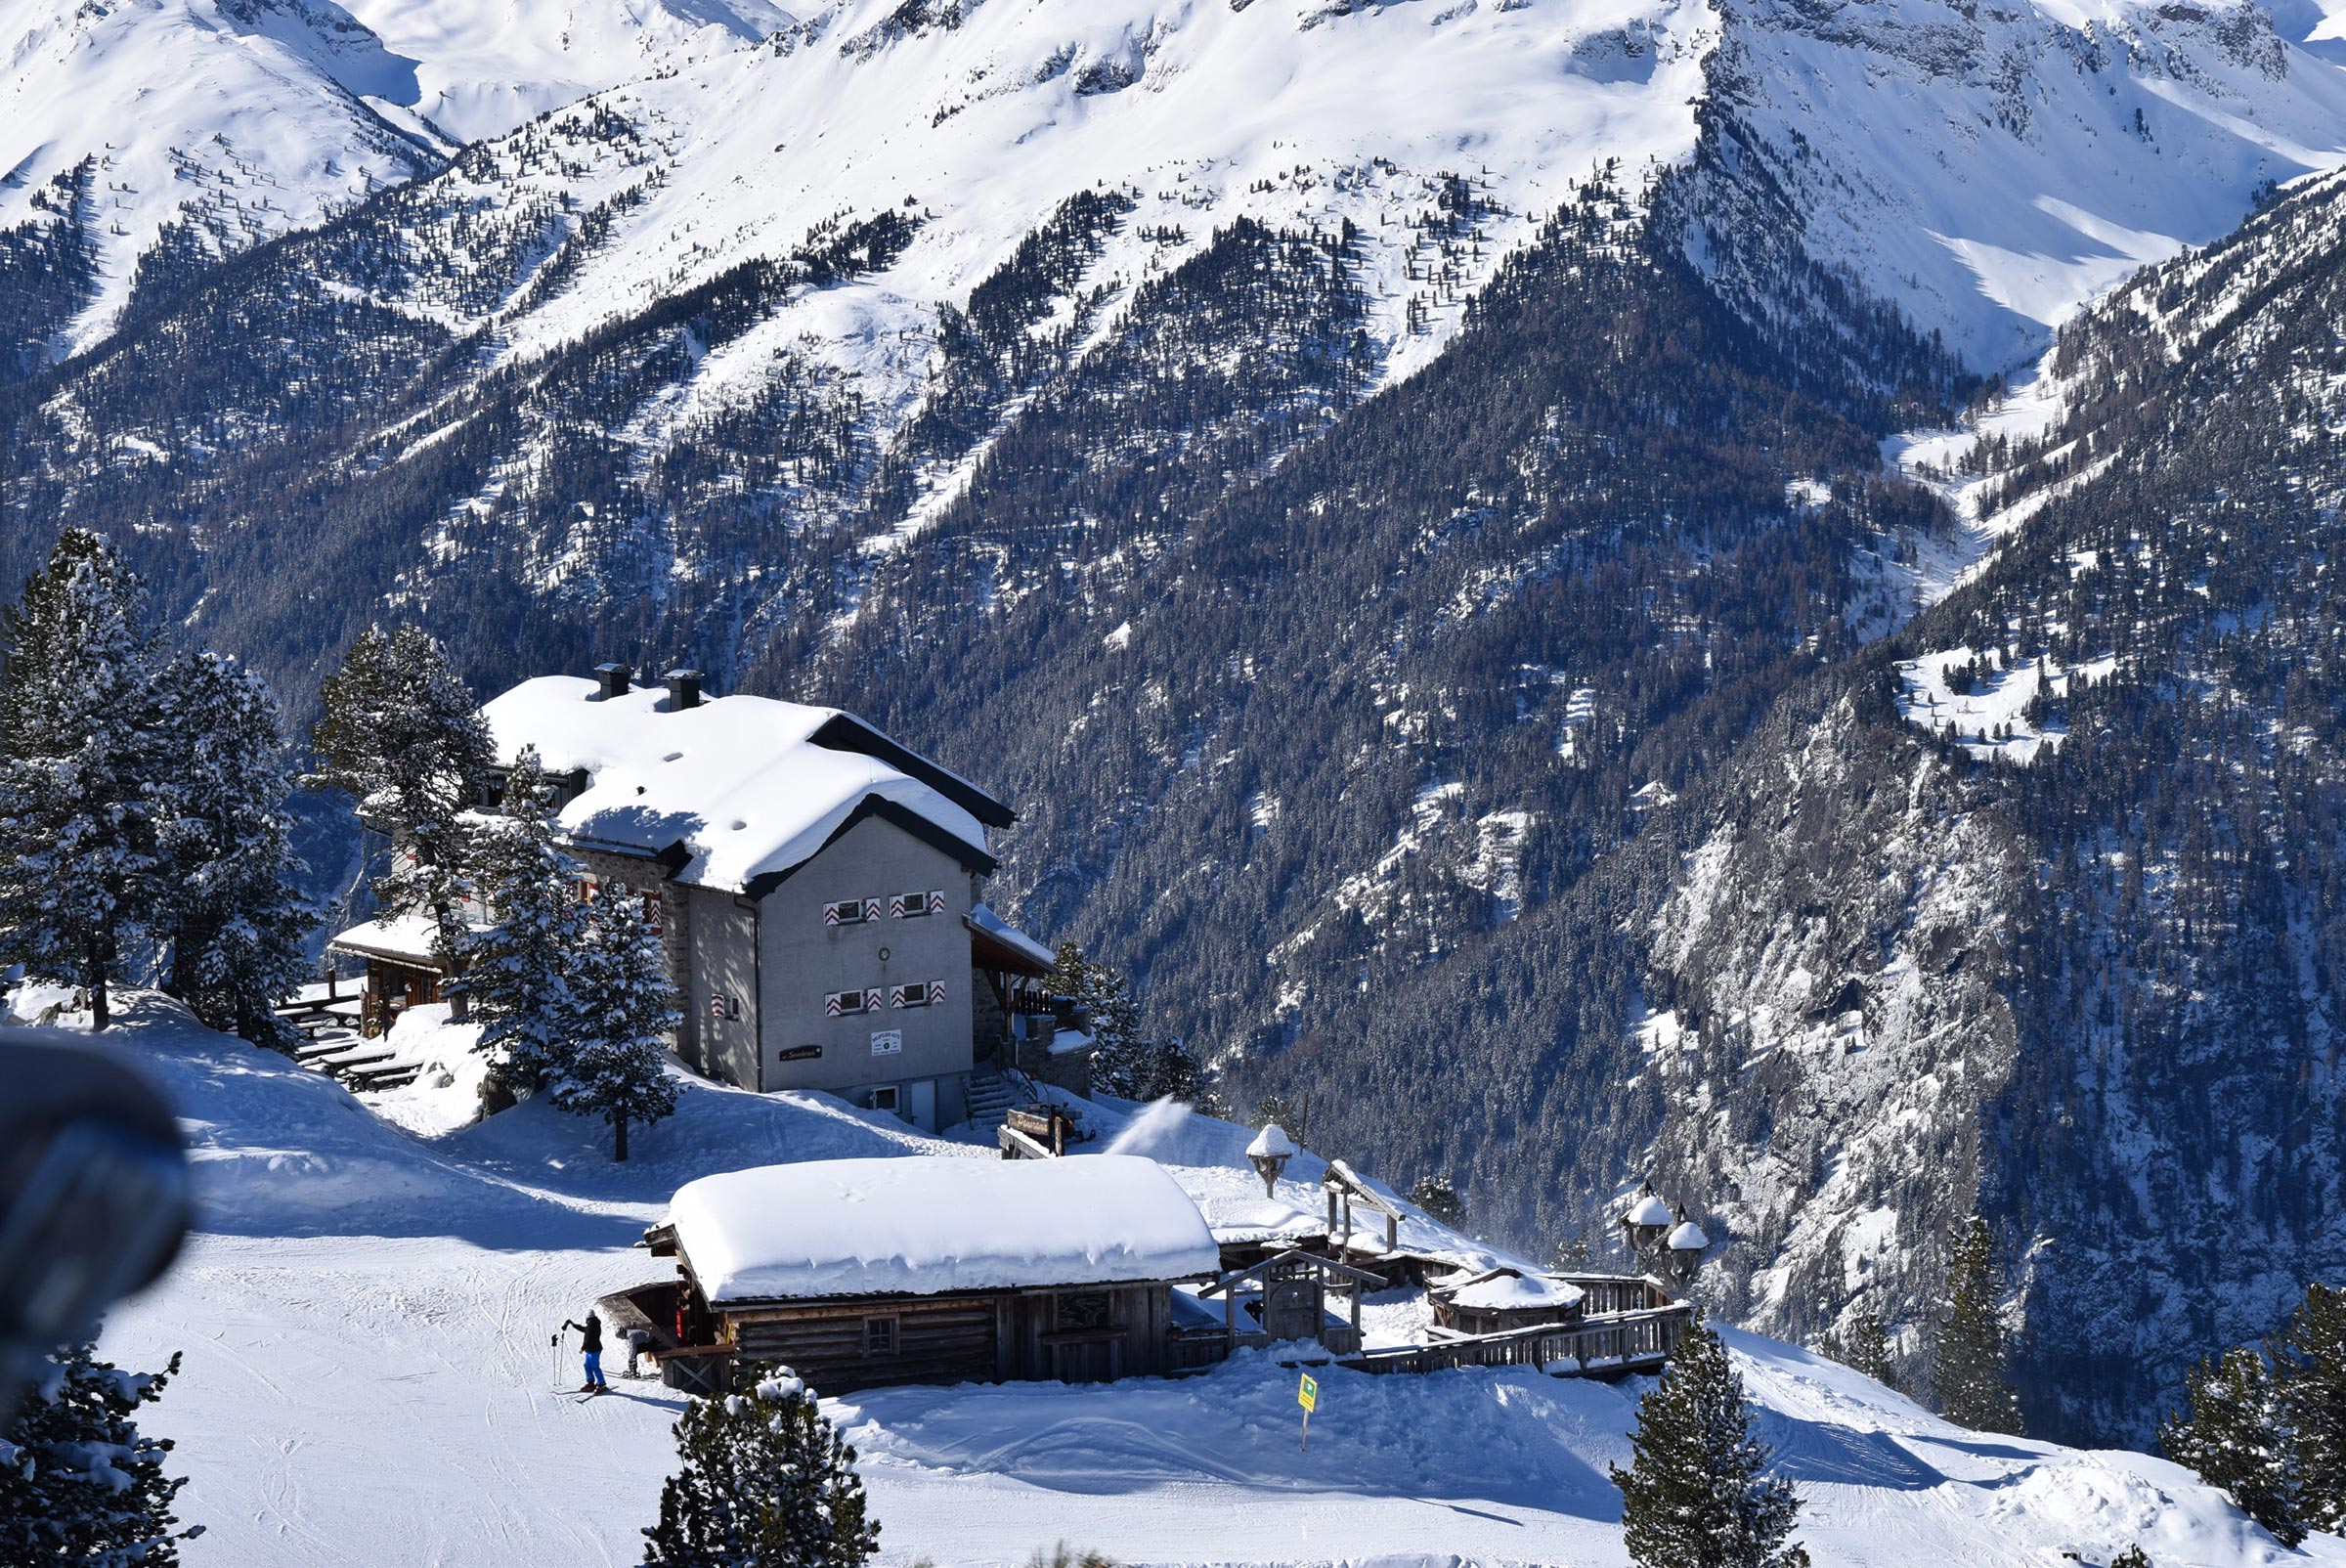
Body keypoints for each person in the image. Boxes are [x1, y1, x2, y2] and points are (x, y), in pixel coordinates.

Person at [561, 1311, 607, 1392]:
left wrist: (582, 1348)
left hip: (594, 1349)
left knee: (594, 1366)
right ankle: (590, 1382)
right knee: (587, 1365)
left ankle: (601, 1384)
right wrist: (573, 1325)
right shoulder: (592, 1324)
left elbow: (588, 1338)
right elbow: (584, 1330)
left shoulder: (592, 1325)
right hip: (590, 1350)